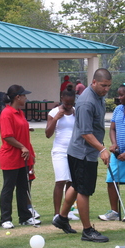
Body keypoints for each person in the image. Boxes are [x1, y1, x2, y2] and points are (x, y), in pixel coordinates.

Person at [52, 68, 112, 243]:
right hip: (83, 153)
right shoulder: (87, 102)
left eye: (108, 86)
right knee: (84, 190)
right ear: (94, 82)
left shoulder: (98, 97)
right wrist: (102, 149)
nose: (106, 89)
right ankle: (87, 231)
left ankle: (62, 218)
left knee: (77, 185)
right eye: (103, 85)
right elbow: (86, 133)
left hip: (84, 152)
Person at [0, 84, 41, 229]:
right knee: (9, 187)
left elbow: (23, 135)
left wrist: (31, 153)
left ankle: (25, 217)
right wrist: (22, 147)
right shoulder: (7, 113)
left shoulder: (20, 113)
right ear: (18, 97)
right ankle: (5, 218)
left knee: (24, 187)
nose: (26, 98)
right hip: (10, 157)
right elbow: (7, 136)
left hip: (24, 157)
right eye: (24, 96)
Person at [99, 81, 125, 223]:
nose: (119, 98)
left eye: (122, 95)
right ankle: (114, 212)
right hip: (117, 153)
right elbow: (112, 129)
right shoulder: (118, 110)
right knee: (111, 180)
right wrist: (114, 143)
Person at [45, 84, 79, 221]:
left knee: (71, 182)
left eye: (71, 103)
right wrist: (56, 119)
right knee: (61, 181)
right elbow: (48, 134)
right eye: (66, 103)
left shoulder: (76, 111)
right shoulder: (54, 113)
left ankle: (68, 211)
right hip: (60, 151)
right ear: (61, 99)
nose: (69, 106)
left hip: (74, 151)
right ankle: (56, 213)